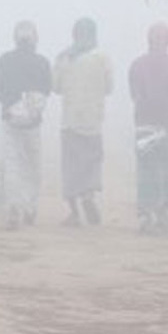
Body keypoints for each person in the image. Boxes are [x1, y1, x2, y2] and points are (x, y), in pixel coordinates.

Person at [0, 20, 52, 230]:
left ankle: (13, 208)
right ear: (35, 39)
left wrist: (11, 104)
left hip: (11, 120)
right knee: (33, 166)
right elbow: (47, 89)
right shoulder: (42, 62)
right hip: (33, 124)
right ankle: (30, 207)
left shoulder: (5, 60)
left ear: (15, 39)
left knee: (13, 164)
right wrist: (32, 107)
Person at [53, 17, 113, 226]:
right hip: (93, 121)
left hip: (70, 121)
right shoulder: (103, 58)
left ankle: (74, 213)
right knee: (91, 162)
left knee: (70, 167)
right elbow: (109, 87)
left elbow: (56, 87)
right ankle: (88, 195)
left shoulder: (64, 58)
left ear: (74, 34)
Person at [129, 22, 168, 232]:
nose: (158, 42)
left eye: (161, 37)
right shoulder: (138, 65)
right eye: (155, 37)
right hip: (147, 126)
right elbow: (136, 94)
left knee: (167, 173)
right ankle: (147, 215)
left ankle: (161, 212)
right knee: (147, 172)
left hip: (165, 126)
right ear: (149, 40)